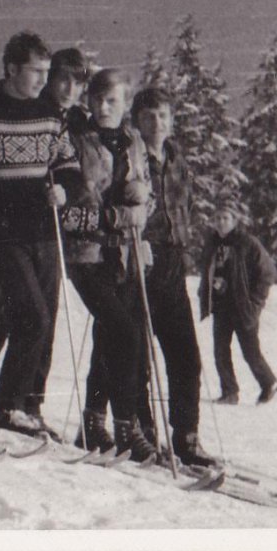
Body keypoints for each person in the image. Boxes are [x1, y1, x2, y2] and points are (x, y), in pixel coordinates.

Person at [69, 87, 216, 466]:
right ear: (137, 119)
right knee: (132, 352)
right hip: (135, 256)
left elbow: (182, 205)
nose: (157, 124)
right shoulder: (131, 154)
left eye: (164, 116)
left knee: (185, 354)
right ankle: (139, 428)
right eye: (149, 116)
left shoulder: (174, 157)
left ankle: (186, 435)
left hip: (171, 261)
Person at [0, 32, 79, 438]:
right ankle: (6, 403)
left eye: (48, 72)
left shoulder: (49, 114)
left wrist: (64, 189)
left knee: (41, 321)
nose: (44, 81)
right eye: (37, 72)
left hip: (42, 231)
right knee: (29, 317)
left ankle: (27, 403)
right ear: (12, 69)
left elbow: (68, 165)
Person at [62, 68, 160, 462]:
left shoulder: (134, 142)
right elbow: (71, 210)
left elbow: (147, 203)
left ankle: (91, 423)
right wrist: (122, 214)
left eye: (112, 101)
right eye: (98, 99)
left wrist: (143, 196)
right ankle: (126, 427)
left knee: (109, 337)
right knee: (124, 332)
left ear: (125, 104)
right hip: (86, 254)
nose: (103, 107)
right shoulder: (76, 140)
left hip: (123, 254)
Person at [199, 199, 277, 405]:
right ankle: (230, 392)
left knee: (250, 351)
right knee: (220, 351)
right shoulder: (212, 243)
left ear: (235, 220)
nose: (221, 222)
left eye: (225, 218)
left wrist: (255, 301)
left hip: (243, 307)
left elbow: (268, 272)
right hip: (221, 306)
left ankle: (268, 382)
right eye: (217, 218)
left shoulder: (247, 243)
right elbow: (207, 271)